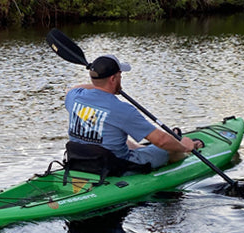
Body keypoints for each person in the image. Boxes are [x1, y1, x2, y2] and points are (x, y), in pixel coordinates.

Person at [65, 54, 201, 170]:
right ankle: (185, 152)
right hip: (116, 166)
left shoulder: (74, 97)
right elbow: (161, 140)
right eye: (120, 75)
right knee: (169, 149)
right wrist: (184, 147)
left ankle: (140, 147)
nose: (121, 78)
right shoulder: (122, 109)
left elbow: (73, 88)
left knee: (117, 134)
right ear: (113, 79)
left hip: (80, 160)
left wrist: (99, 86)